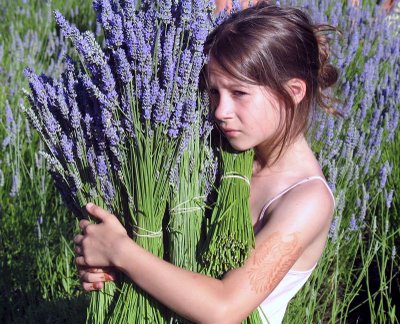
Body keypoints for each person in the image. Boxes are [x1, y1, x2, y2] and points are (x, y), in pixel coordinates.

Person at [73, 2, 339, 323]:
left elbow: (223, 309)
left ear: (293, 91)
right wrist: (111, 267)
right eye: (214, 91)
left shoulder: (307, 200)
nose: (220, 111)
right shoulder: (222, 152)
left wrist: (121, 252)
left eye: (239, 93)